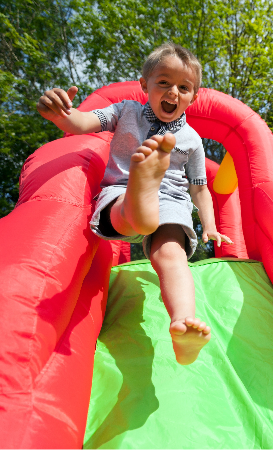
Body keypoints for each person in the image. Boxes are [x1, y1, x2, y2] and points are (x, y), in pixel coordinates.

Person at [37, 43, 232, 365]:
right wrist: (61, 113)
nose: (173, 92)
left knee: (169, 252)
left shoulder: (192, 141)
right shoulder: (123, 111)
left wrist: (210, 225)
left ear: (193, 97)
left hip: (169, 198)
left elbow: (199, 189)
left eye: (184, 87)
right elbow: (82, 123)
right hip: (122, 188)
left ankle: (182, 322)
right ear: (145, 85)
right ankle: (140, 194)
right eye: (164, 82)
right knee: (141, 223)